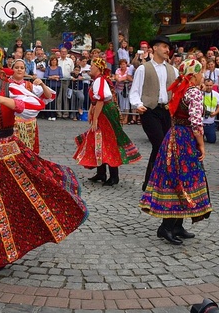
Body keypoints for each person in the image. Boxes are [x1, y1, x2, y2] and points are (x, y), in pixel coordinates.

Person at [0, 44, 88, 299]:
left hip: (8, 154)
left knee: (14, 204)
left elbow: (35, 105)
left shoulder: (12, 88)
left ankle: (6, 250)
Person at [139, 59, 212, 245]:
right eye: (201, 72)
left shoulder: (181, 89)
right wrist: (201, 144)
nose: (203, 75)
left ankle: (177, 224)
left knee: (175, 177)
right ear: (194, 75)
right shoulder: (194, 92)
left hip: (173, 136)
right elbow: (196, 123)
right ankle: (167, 226)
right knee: (181, 179)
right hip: (185, 138)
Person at [74, 57, 141, 185]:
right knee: (99, 140)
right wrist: (90, 111)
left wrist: (95, 119)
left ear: (98, 68)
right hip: (103, 111)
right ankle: (101, 173)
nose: (90, 68)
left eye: (92, 66)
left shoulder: (100, 80)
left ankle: (113, 176)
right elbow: (96, 100)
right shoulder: (99, 80)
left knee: (108, 141)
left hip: (105, 113)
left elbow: (100, 100)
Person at [129, 35, 177, 190]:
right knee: (160, 143)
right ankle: (153, 182)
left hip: (167, 111)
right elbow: (135, 90)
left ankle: (150, 182)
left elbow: (177, 92)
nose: (167, 50)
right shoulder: (144, 68)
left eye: (168, 48)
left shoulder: (173, 70)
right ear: (154, 48)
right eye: (164, 47)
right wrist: (138, 104)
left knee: (162, 146)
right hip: (149, 110)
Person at [8, 58, 55, 153]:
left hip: (28, 124)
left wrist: (42, 84)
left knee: (27, 151)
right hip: (11, 122)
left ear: (25, 70)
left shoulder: (29, 85)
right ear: (12, 69)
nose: (19, 70)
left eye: (22, 68)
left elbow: (49, 95)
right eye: (16, 67)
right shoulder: (5, 84)